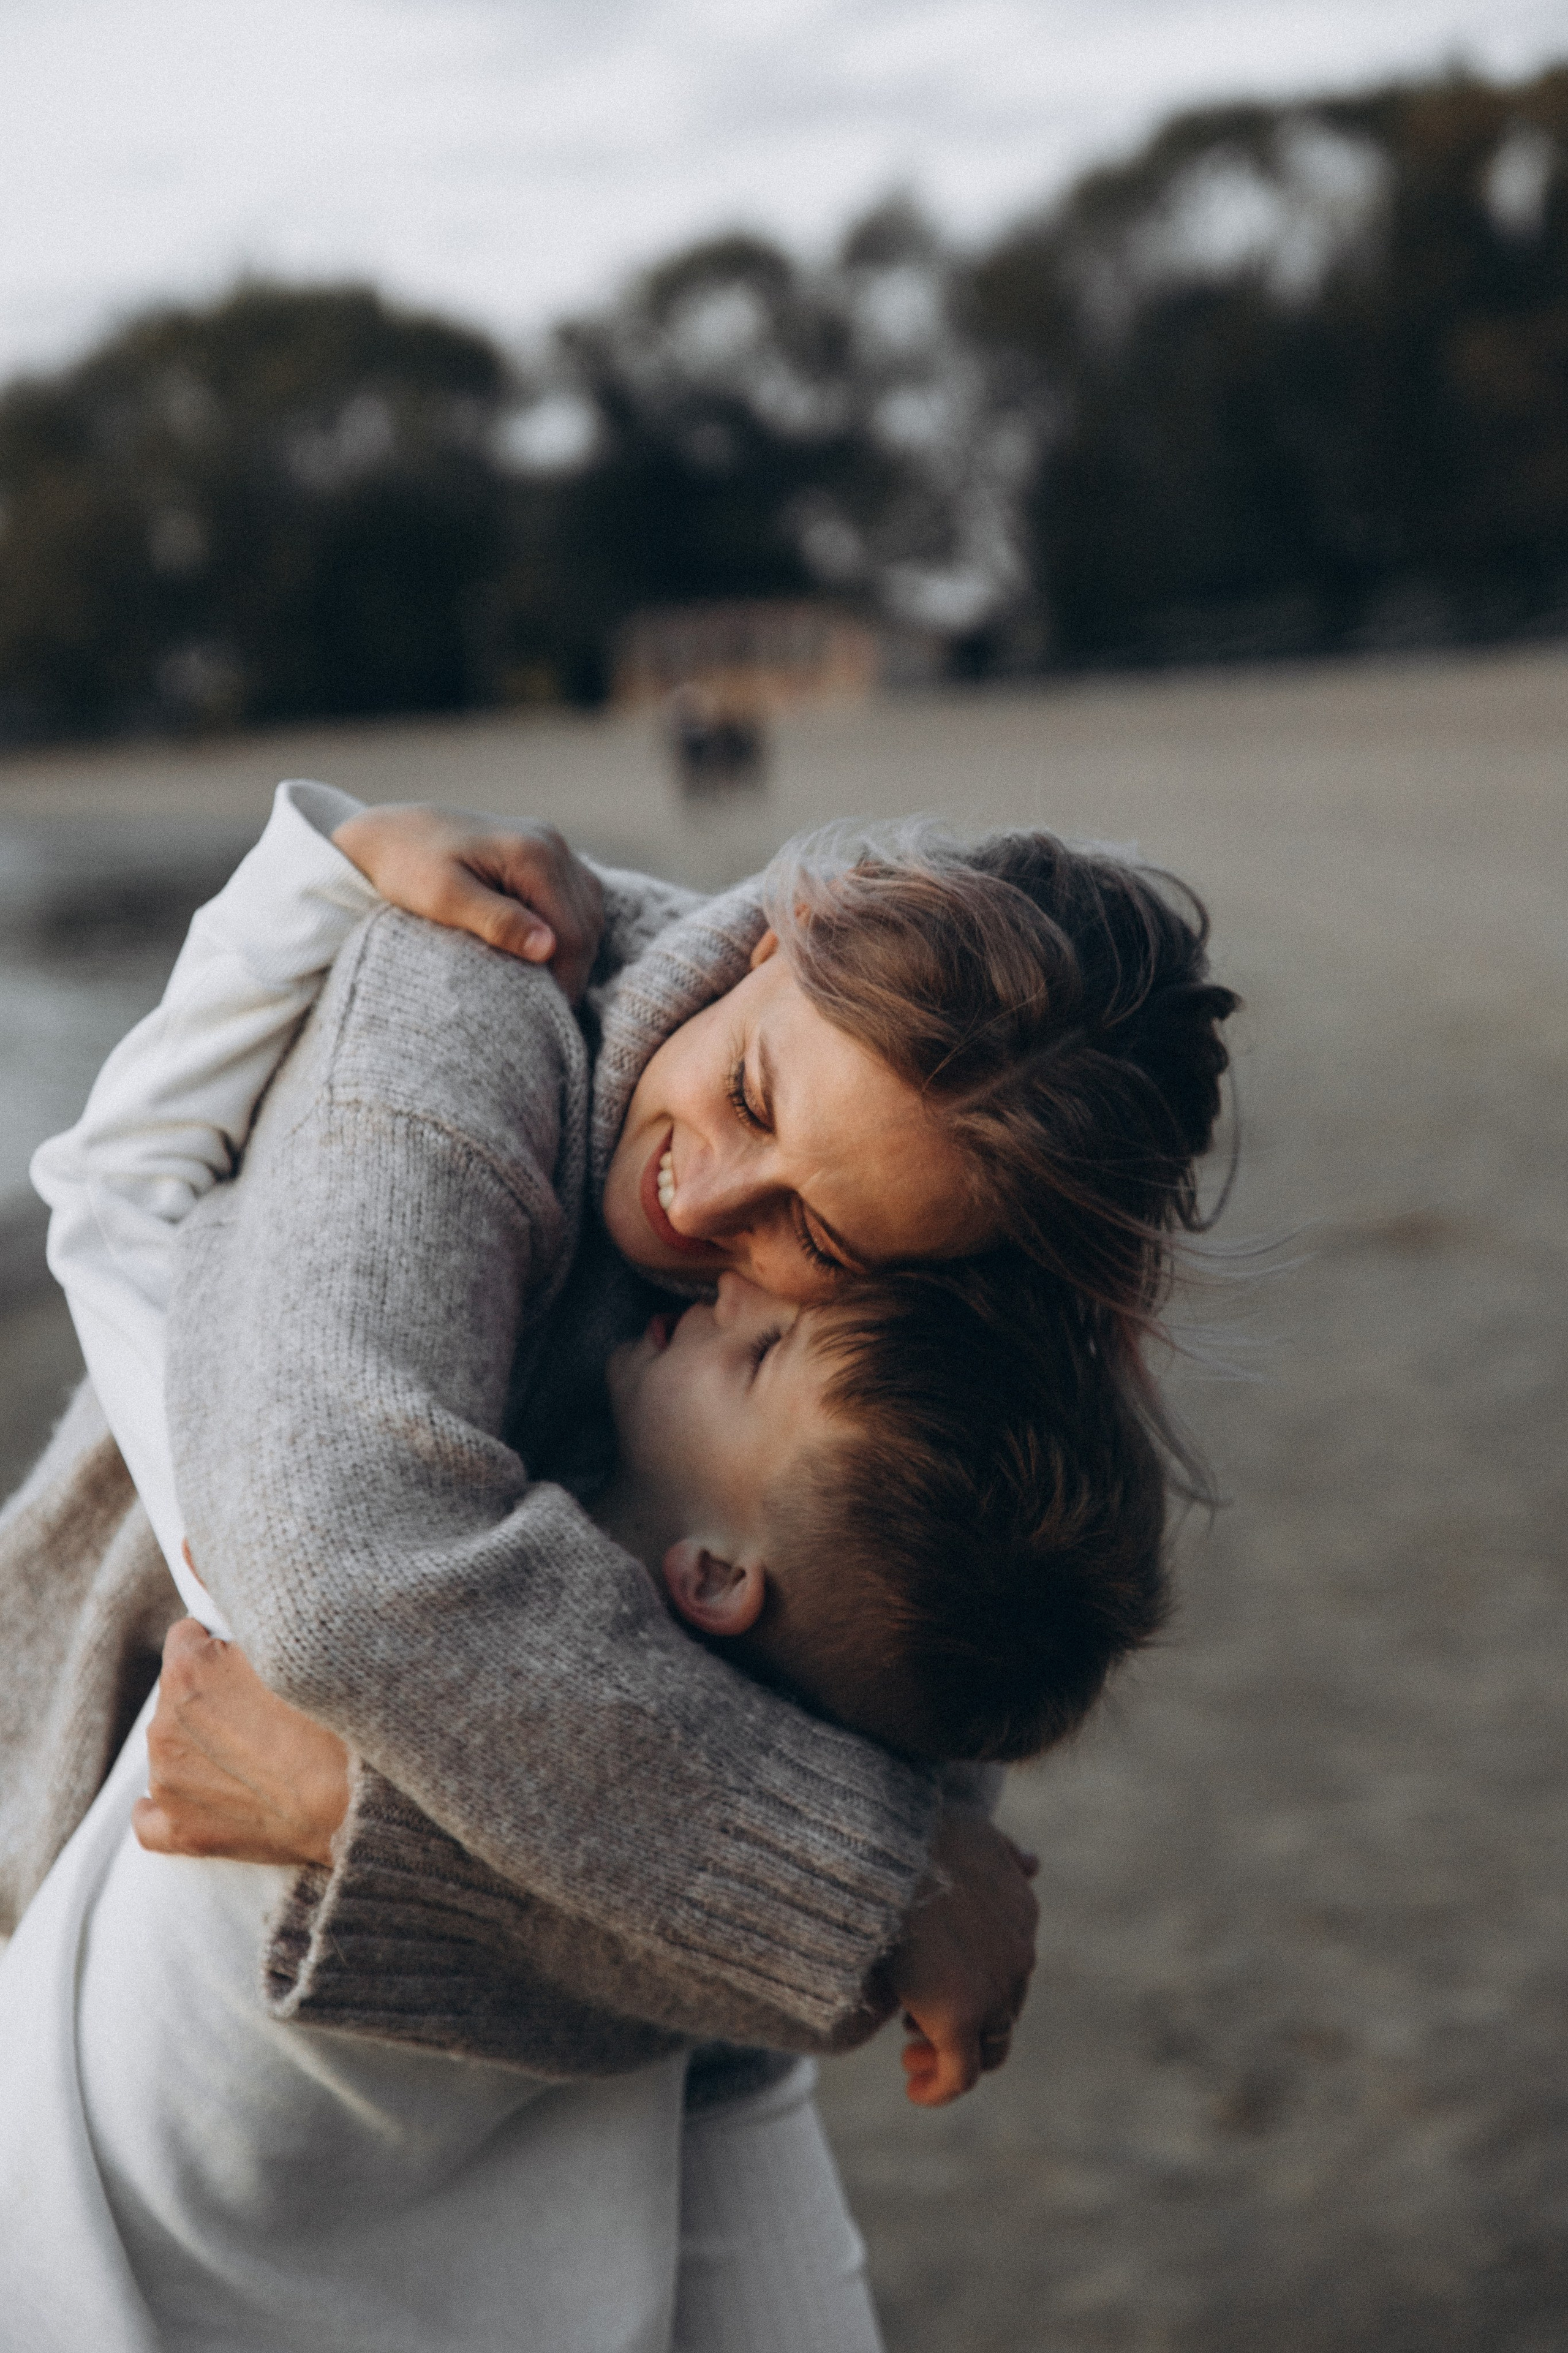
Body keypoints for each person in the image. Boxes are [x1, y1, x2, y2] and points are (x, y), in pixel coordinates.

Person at [2, 782, 1235, 2347]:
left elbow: (753, 1979)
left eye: (824, 1247)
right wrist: (867, 1885)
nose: (706, 1201)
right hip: (110, 1786)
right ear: (792, 923)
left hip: (531, 2100)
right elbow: (333, 1576)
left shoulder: (933, 1276)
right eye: (753, 1094)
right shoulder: (470, 999)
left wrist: (364, 1822)